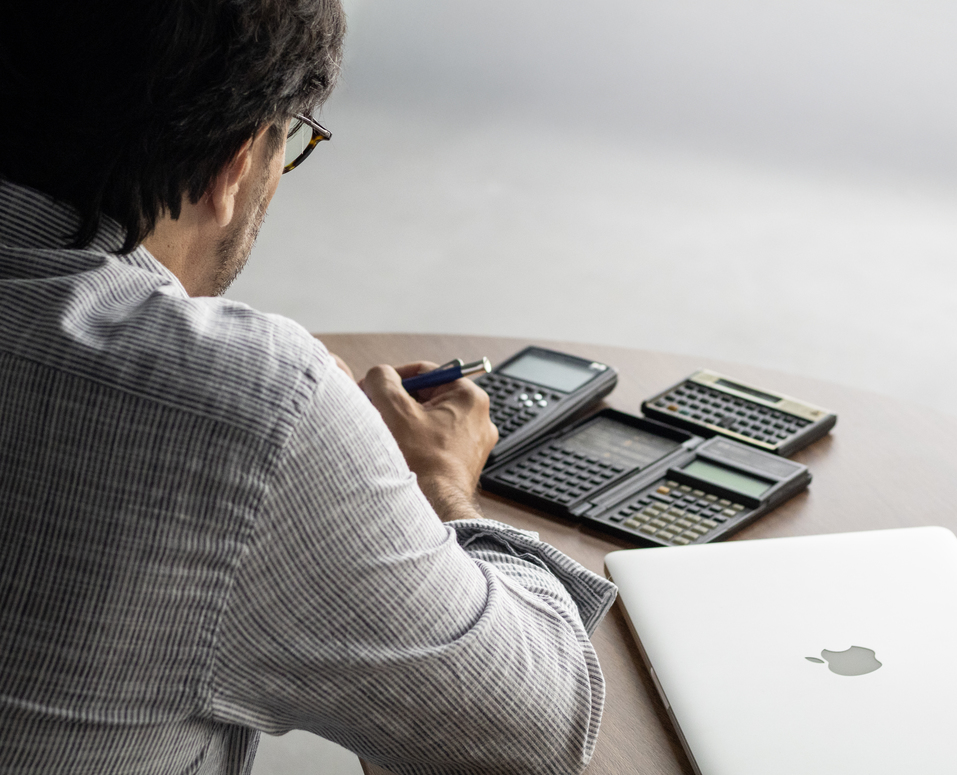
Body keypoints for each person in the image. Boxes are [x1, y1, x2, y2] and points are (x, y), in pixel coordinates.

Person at [0, 2, 616, 774]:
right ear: (234, 161)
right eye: (288, 141)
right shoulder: (252, 407)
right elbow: (534, 731)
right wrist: (442, 484)